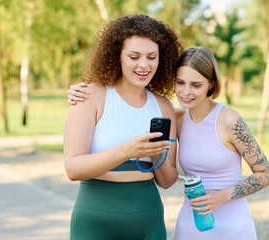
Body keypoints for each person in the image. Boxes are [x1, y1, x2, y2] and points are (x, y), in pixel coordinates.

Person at [67, 46, 269, 239]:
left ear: (211, 83)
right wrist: (78, 92)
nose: (185, 92)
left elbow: (266, 174)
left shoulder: (229, 119)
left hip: (232, 224)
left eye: (196, 85)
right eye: (180, 82)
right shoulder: (176, 120)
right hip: (190, 224)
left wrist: (222, 196)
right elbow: (132, 113)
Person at [64, 14, 183, 239]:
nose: (144, 65)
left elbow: (167, 181)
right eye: (134, 56)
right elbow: (73, 168)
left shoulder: (164, 107)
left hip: (148, 222)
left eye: (152, 57)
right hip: (95, 222)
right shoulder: (90, 96)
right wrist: (128, 151)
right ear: (117, 56)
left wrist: (156, 155)